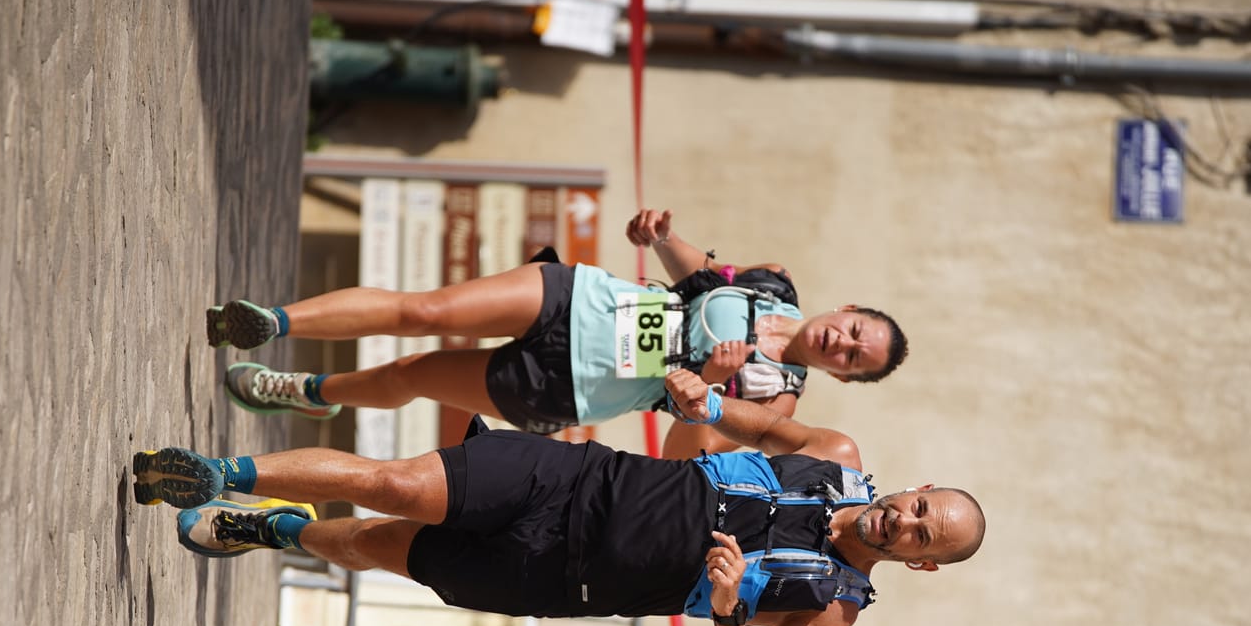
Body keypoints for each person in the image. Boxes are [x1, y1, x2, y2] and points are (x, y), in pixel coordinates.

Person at [134, 352, 981, 626]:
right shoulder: (836, 454)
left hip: (560, 577)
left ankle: (276, 530)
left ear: (922, 565)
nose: (906, 523)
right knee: (396, 484)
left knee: (372, 543)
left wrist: (728, 612)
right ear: (916, 488)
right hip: (573, 478)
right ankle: (219, 471)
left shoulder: (833, 606)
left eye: (923, 537)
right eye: (920, 508)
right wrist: (703, 401)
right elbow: (750, 423)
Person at [204, 208, 910, 457]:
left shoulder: (777, 402)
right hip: (580, 302)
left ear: (844, 377)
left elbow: (682, 454)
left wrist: (712, 388)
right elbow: (700, 276)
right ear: (846, 308)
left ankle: (307, 390)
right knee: (427, 311)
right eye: (855, 330)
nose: (842, 343)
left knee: (414, 375)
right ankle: (274, 322)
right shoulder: (774, 282)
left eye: (854, 358)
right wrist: (660, 237)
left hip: (569, 387)